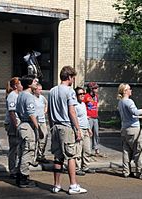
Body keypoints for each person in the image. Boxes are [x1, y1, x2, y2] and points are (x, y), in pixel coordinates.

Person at [48, 66, 87, 194]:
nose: (73, 80)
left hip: (55, 126)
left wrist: (51, 125)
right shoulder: (69, 91)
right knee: (71, 156)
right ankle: (73, 185)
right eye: (73, 77)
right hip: (66, 127)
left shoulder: (52, 91)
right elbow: (72, 111)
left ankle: (56, 185)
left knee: (57, 157)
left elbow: (48, 111)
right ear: (69, 77)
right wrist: (78, 129)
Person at [117, 83, 142, 179]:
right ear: (125, 91)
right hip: (134, 129)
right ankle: (140, 172)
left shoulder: (121, 102)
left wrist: (138, 117)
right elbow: (136, 111)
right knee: (139, 150)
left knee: (126, 151)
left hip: (124, 128)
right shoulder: (129, 101)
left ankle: (126, 172)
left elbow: (129, 114)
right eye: (129, 89)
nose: (131, 90)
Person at [16, 75, 42, 188]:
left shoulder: (21, 95)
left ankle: (20, 176)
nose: (36, 83)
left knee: (22, 152)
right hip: (27, 125)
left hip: (22, 125)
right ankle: (23, 178)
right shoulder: (28, 96)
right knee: (28, 151)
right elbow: (31, 114)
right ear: (29, 84)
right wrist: (38, 128)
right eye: (34, 82)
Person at [4, 77, 23, 179]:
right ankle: (12, 170)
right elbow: (12, 113)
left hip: (18, 123)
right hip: (13, 124)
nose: (22, 86)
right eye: (20, 84)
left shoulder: (18, 95)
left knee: (18, 148)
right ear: (16, 86)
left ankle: (17, 168)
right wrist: (16, 125)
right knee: (14, 148)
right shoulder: (12, 96)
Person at [74, 87, 96, 176]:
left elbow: (85, 117)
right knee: (78, 150)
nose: (82, 95)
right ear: (76, 95)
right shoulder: (74, 105)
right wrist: (77, 130)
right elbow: (74, 118)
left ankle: (85, 166)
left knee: (87, 150)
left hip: (85, 129)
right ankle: (77, 168)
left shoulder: (83, 104)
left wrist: (89, 129)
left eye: (83, 93)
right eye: (80, 94)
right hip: (79, 129)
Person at [84, 82, 105, 157]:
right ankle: (87, 149)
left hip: (95, 117)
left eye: (97, 87)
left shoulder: (96, 96)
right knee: (89, 134)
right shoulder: (86, 96)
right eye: (95, 88)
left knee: (96, 133)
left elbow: (96, 106)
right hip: (89, 117)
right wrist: (85, 116)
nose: (97, 89)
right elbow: (82, 106)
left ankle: (96, 148)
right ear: (91, 89)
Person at [33, 83, 49, 163]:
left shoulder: (42, 98)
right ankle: (34, 156)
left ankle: (41, 154)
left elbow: (46, 104)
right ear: (35, 90)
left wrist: (45, 111)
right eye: (39, 89)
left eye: (41, 89)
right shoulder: (32, 98)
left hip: (42, 121)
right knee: (36, 139)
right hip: (36, 121)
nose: (40, 91)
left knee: (44, 137)